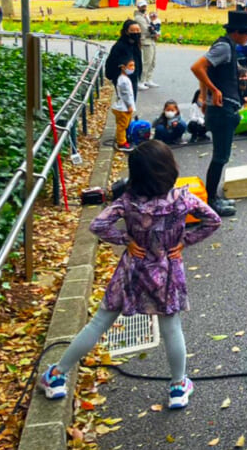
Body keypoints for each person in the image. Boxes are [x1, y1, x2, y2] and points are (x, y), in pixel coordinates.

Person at [38, 141, 221, 409]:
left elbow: (97, 224)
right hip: (167, 269)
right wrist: (186, 241)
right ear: (169, 169)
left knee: (99, 322)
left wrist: (124, 238)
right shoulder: (183, 198)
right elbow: (213, 220)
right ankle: (178, 387)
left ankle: (56, 375)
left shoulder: (127, 202)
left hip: (133, 269)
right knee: (171, 327)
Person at [190, 11, 247, 218]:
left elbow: (206, 70)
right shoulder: (224, 47)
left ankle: (212, 197)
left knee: (220, 156)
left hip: (223, 108)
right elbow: (197, 67)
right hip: (222, 110)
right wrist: (213, 91)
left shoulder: (228, 46)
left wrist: (204, 95)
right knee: (220, 157)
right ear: (237, 32)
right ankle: (211, 200)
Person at [105, 20, 143, 98]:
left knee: (131, 102)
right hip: (123, 79)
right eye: (132, 30)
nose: (136, 33)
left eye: (138, 30)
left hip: (133, 77)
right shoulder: (120, 46)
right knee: (126, 102)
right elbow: (111, 62)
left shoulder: (135, 44)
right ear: (126, 32)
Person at [111, 59, 137, 152]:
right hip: (123, 107)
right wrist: (129, 105)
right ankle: (121, 142)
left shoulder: (124, 78)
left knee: (124, 124)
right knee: (122, 125)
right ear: (123, 67)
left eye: (133, 65)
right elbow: (125, 94)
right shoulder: (123, 80)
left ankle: (124, 139)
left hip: (123, 106)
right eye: (130, 66)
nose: (132, 68)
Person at [133, 0, 159, 89]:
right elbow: (145, 29)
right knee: (147, 62)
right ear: (138, 7)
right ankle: (141, 80)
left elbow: (151, 25)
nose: (144, 7)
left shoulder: (145, 16)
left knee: (153, 61)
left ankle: (149, 79)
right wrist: (154, 32)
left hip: (151, 40)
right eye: (142, 6)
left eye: (145, 6)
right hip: (146, 40)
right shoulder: (138, 18)